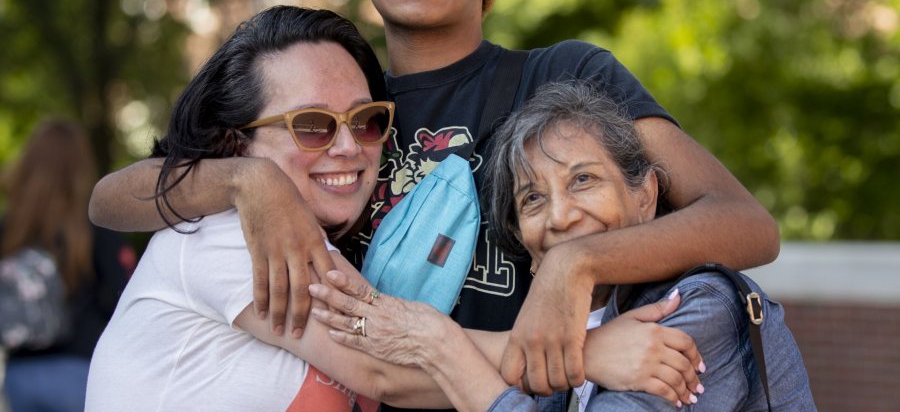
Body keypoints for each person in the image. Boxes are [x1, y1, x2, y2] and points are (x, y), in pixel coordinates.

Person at [89, 0, 780, 402]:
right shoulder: (341, 122)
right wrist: (248, 182)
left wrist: (579, 265)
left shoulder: (565, 77)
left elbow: (745, 224)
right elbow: (113, 199)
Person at [84, 7, 705, 411]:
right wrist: (587, 355)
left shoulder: (317, 245)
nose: (350, 146)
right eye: (311, 125)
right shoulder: (225, 232)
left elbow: (404, 353)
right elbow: (381, 370)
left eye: (368, 120)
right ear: (234, 140)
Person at [309, 82, 816, 411]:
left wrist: (438, 342)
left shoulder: (701, 305)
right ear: (526, 246)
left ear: (646, 195)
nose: (561, 215)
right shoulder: (564, 335)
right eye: (533, 199)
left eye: (584, 180)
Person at [1, 119, 135, 412]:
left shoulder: (9, 228)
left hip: (19, 375)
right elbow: (123, 297)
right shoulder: (94, 224)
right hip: (79, 370)